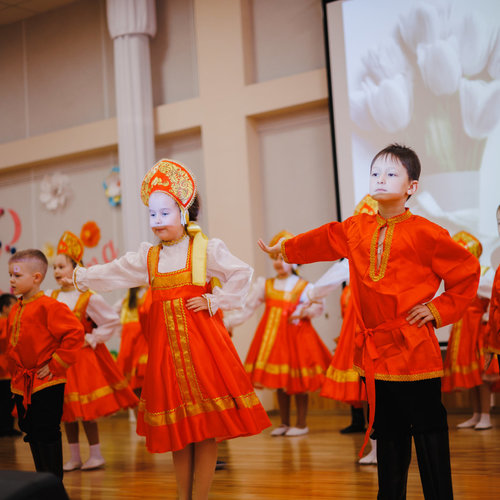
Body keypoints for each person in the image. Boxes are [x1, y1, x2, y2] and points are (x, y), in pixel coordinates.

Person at [258, 144, 480, 499]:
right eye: (375, 172)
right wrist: (285, 249)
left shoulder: (427, 232)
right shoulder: (356, 227)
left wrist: (437, 310)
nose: (380, 179)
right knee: (388, 437)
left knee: (428, 431)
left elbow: (466, 273)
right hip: (376, 352)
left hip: (415, 349)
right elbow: (324, 238)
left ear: (412, 186)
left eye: (392, 174)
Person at [63, 159, 271, 500]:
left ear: (184, 212)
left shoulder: (204, 249)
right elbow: (116, 271)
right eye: (152, 215)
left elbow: (242, 272)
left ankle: (199, 496)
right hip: (167, 356)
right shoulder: (150, 258)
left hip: (203, 350)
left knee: (205, 431)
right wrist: (80, 276)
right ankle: (182, 495)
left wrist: (215, 301)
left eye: (165, 213)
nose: (157, 221)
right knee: (179, 429)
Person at [225, 230, 332, 437]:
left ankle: (301, 424)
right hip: (273, 339)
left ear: (294, 261)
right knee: (280, 383)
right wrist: (229, 322)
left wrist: (305, 312)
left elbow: (318, 306)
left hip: (297, 338)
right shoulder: (266, 285)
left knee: (299, 382)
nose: (278, 262)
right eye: (275, 258)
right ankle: (284, 422)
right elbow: (248, 308)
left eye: (283, 258)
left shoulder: (304, 286)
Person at [49, 231, 139, 471]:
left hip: (82, 360)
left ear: (75, 267)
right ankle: (74, 456)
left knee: (86, 411)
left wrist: (92, 337)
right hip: (61, 362)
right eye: (54, 268)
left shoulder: (87, 296)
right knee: (66, 410)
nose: (57, 272)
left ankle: (96, 453)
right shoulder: (52, 297)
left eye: (61, 266)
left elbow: (110, 319)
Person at [6, 249, 84, 478]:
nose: (11, 280)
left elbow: (75, 332)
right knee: (31, 431)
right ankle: (42, 482)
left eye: (17, 275)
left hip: (46, 381)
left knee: (47, 432)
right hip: (23, 382)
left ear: (37, 277)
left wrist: (55, 363)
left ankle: (53, 484)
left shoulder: (50, 306)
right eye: (10, 275)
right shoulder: (15, 309)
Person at [442, 231, 498, 430]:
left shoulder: (484, 274)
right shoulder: (459, 276)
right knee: (473, 375)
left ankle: (485, 415)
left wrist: (487, 318)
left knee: (482, 376)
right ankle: (476, 414)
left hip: (478, 330)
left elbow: (494, 297)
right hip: (463, 330)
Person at [116, 286, 149, 421]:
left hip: (143, 339)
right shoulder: (127, 297)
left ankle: (151, 421)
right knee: (134, 384)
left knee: (144, 378)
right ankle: (139, 420)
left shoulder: (149, 293)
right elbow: (112, 313)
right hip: (129, 341)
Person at [0, 293, 21, 437]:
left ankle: (8, 427)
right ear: (5, 307)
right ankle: (5, 428)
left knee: (8, 399)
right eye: (13, 305)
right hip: (3, 368)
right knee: (4, 400)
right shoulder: (3, 322)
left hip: (8, 367)